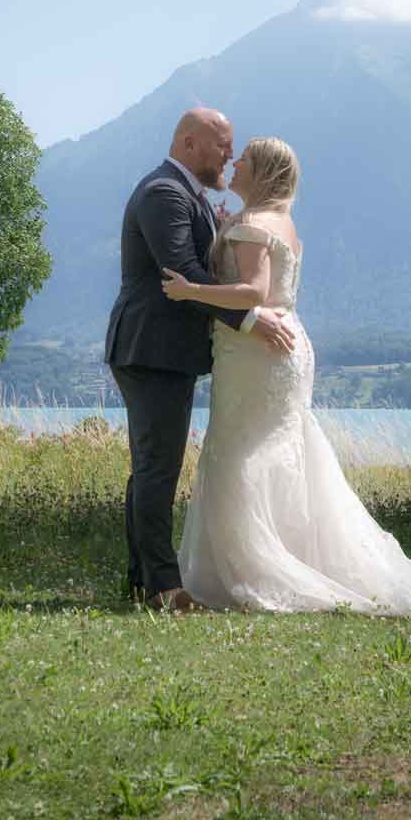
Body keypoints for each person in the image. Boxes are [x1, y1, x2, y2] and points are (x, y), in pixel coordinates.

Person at [161, 136, 411, 615]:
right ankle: (299, 554)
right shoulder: (277, 221)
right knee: (283, 446)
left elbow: (253, 292)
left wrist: (189, 289)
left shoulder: (255, 225)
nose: (234, 163)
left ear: (260, 172)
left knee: (239, 451)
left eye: (245, 160)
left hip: (256, 351)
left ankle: (257, 566)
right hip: (285, 347)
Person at [105, 109, 297, 611]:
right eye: (222, 146)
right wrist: (250, 320)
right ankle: (166, 588)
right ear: (190, 143)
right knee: (157, 468)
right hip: (151, 350)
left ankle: (144, 581)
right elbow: (182, 273)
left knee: (152, 466)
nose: (229, 156)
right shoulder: (163, 193)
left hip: (166, 352)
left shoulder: (188, 194)